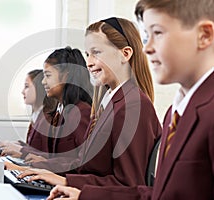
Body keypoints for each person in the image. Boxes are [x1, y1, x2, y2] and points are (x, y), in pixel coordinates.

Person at [47, 0, 214, 199]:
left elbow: (130, 181)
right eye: (146, 37)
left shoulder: (135, 106)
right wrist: (78, 190)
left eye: (158, 33)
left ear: (204, 35)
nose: (147, 48)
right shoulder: (175, 112)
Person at [18, 17, 161, 189]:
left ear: (125, 54)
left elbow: (129, 186)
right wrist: (45, 169)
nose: (89, 62)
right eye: (87, 54)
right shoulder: (111, 103)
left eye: (97, 52)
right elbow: (84, 165)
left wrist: (65, 181)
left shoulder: (133, 106)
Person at [4, 46, 93, 169]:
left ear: (66, 77)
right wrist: (43, 159)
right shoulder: (61, 110)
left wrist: (39, 161)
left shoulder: (81, 112)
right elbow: (58, 157)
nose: (43, 82)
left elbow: (83, 163)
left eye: (48, 75)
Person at [0, 69, 57, 157]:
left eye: (26, 86)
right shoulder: (37, 116)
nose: (22, 92)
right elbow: (35, 148)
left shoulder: (46, 119)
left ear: (39, 88)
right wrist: (20, 145)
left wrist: (19, 149)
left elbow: (46, 156)